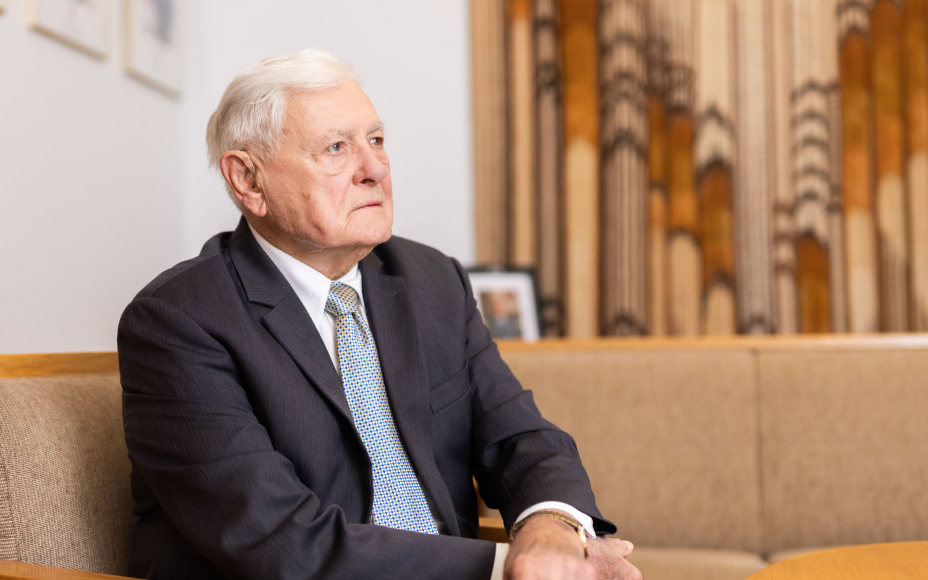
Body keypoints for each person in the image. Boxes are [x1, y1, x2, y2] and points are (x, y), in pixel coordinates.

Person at [117, 48, 642, 580]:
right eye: (336, 148)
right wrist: (512, 564)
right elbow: (279, 541)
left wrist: (553, 530)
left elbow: (521, 439)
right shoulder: (177, 322)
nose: (375, 169)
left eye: (376, 140)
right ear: (249, 181)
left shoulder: (432, 280)